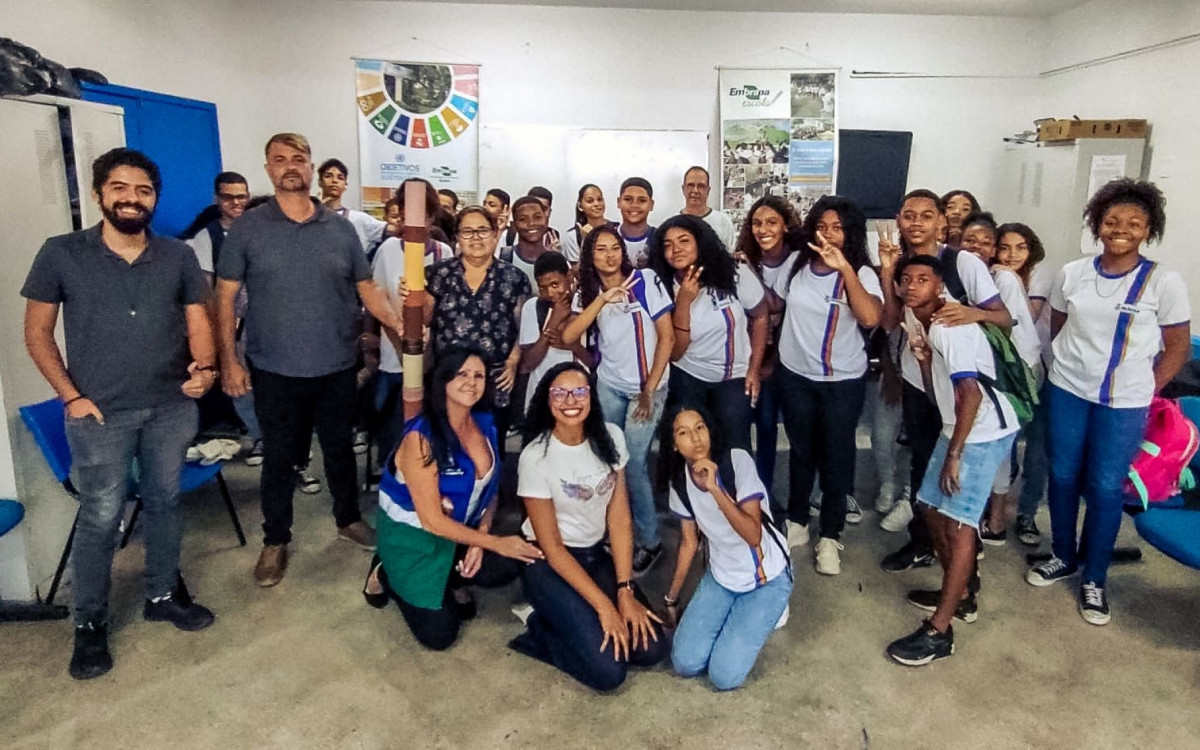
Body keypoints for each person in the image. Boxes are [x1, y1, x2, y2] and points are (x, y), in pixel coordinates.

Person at [22, 147, 218, 679]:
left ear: (154, 198)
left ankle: (161, 594)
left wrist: (205, 369)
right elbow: (37, 333)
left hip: (170, 407)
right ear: (99, 194)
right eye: (120, 188)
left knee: (165, 502)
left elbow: (198, 318)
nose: (132, 198)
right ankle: (89, 626)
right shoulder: (61, 253)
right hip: (99, 415)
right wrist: (70, 395)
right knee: (101, 518)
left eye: (144, 190)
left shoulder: (177, 255)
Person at [217, 133, 406, 587]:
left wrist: (404, 331)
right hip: (274, 367)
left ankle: (347, 519)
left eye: (298, 158)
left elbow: (367, 292)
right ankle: (275, 540)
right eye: (279, 159)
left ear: (310, 165)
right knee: (280, 456)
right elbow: (223, 299)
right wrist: (229, 361)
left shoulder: (340, 229)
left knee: (339, 449)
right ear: (268, 169)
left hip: (336, 364)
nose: (290, 166)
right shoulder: (249, 228)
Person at [1027, 179, 1190, 627]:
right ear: (1097, 226)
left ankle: (1094, 577)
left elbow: (1177, 347)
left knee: (1104, 487)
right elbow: (1059, 327)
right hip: (1067, 390)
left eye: (1134, 223)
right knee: (1061, 476)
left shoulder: (1163, 281)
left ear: (1148, 230)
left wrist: (1147, 388)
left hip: (1124, 404)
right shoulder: (1073, 274)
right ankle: (1062, 554)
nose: (1121, 229)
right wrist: (1072, 370)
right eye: (1111, 221)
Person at [362, 346, 544, 649]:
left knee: (512, 564)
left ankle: (453, 575)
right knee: (440, 636)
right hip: (416, 539)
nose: (471, 382)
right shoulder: (420, 438)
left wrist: (481, 535)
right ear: (443, 380)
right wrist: (496, 542)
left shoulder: (485, 422)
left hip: (460, 533)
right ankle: (385, 569)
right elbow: (432, 521)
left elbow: (492, 490)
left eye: (479, 375)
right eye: (461, 374)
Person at [886, 255, 1019, 666]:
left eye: (922, 279)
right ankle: (959, 590)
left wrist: (955, 456)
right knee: (930, 508)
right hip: (954, 424)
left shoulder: (950, 327)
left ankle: (940, 631)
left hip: (981, 432)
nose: (911, 286)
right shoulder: (913, 317)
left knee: (958, 524)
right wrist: (925, 363)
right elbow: (936, 391)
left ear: (939, 286)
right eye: (905, 279)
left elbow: (972, 395)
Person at [508, 362, 668, 691]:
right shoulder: (536, 457)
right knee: (609, 673)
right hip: (549, 563)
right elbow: (551, 547)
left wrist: (624, 590)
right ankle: (539, 623)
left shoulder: (611, 438)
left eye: (579, 391)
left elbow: (620, 518)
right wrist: (605, 607)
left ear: (591, 397)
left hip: (596, 556)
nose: (571, 400)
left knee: (651, 649)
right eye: (560, 393)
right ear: (547, 400)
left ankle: (573, 619)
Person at [876, 189, 1010, 573]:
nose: (915, 222)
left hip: (960, 382)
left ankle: (965, 551)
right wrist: (888, 273)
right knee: (922, 462)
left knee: (958, 466)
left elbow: (1004, 318)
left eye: (925, 215)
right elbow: (889, 322)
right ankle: (923, 543)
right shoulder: (901, 263)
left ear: (941, 221)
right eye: (907, 215)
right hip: (920, 379)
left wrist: (967, 312)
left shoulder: (963, 262)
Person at [774, 196, 883, 573]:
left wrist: (846, 271)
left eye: (837, 228)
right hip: (795, 376)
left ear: (850, 233)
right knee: (802, 451)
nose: (828, 235)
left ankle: (831, 536)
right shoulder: (797, 264)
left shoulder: (863, 273)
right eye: (822, 226)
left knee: (837, 457)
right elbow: (776, 306)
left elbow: (870, 318)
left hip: (841, 381)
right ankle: (798, 521)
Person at [562, 227, 675, 575]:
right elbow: (569, 336)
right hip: (609, 386)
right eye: (601, 249)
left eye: (615, 248)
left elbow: (667, 337)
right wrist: (601, 299)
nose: (610, 255)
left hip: (647, 389)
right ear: (590, 256)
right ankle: (615, 528)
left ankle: (651, 541)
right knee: (610, 458)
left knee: (634, 461)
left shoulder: (647, 280)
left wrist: (649, 388)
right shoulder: (588, 291)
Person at [661, 405, 792, 690]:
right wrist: (672, 600)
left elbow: (752, 535)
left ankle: (776, 604)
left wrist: (716, 489)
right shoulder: (680, 482)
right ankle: (735, 613)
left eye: (700, 427)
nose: (695, 438)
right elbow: (688, 543)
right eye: (683, 433)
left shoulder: (736, 461)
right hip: (722, 576)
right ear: (673, 444)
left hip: (764, 578)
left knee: (724, 676)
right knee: (685, 663)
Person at [648, 214, 768, 454]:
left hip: (733, 377)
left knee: (735, 448)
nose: (676, 250)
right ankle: (685, 491)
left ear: (700, 242)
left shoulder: (735, 273)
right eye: (668, 245)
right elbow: (676, 353)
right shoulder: (660, 285)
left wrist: (755, 369)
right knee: (688, 448)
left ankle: (734, 492)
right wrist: (683, 303)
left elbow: (761, 316)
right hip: (689, 376)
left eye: (684, 241)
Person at [958, 212, 1041, 544]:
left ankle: (996, 518)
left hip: (1013, 373)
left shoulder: (1002, 279)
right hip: (990, 372)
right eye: (969, 241)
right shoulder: (966, 272)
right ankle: (982, 511)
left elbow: (1011, 330)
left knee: (1000, 447)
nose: (977, 248)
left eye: (986, 243)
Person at [425, 205, 532, 446]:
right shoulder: (438, 274)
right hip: (450, 377)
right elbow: (425, 321)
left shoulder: (514, 278)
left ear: (495, 234)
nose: (476, 238)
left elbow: (523, 328)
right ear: (457, 238)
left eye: (483, 230)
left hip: (495, 377)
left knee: (491, 443)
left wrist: (513, 361)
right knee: (447, 444)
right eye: (467, 232)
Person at [369, 180, 455, 458]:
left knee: (427, 433)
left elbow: (445, 309)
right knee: (393, 432)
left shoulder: (445, 253)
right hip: (394, 360)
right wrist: (401, 347)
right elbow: (378, 301)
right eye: (407, 213)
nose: (414, 221)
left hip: (432, 360)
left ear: (431, 217)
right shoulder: (389, 250)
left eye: (423, 214)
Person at [735, 196, 802, 501]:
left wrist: (750, 272)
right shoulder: (745, 257)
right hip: (751, 355)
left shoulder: (796, 260)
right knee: (752, 423)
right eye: (757, 223)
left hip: (786, 358)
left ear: (786, 226)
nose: (763, 229)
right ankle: (750, 491)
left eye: (771, 222)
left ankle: (767, 492)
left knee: (770, 427)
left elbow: (775, 304)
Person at [995, 222, 1050, 545]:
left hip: (1036, 367)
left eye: (1020, 247)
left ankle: (1027, 512)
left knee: (1038, 448)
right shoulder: (995, 275)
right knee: (1006, 443)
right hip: (1007, 368)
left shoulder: (1037, 275)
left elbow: (1026, 316)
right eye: (1005, 247)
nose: (1012, 254)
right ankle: (996, 508)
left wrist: (1013, 280)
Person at [518, 251, 591, 413]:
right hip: (541, 396)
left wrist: (572, 345)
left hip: (578, 394)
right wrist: (553, 321)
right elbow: (529, 362)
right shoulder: (533, 307)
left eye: (555, 284)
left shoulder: (587, 306)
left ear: (570, 276)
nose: (550, 293)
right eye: (543, 287)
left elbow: (594, 362)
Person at [317, 157, 387, 253]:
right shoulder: (310, 216)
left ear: (345, 184)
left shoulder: (358, 219)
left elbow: (390, 230)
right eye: (328, 176)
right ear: (320, 182)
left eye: (340, 177)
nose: (334, 181)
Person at [497, 195, 554, 287]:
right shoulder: (504, 257)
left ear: (546, 220)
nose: (531, 223)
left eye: (537, 217)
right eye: (523, 219)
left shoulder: (556, 260)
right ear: (514, 225)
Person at [680, 166, 737, 253]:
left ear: (708, 190)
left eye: (701, 186)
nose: (695, 190)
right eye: (690, 185)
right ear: (683, 189)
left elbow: (731, 256)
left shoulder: (723, 221)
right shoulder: (673, 223)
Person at [560, 183, 615, 264]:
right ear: (580, 206)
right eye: (590, 201)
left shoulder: (616, 229)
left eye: (600, 199)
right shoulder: (573, 236)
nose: (597, 204)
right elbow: (578, 273)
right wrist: (585, 241)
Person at [617, 177, 657, 268]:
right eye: (628, 199)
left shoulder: (660, 239)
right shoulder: (608, 237)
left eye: (642, 200)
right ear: (618, 202)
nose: (634, 205)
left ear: (651, 205)